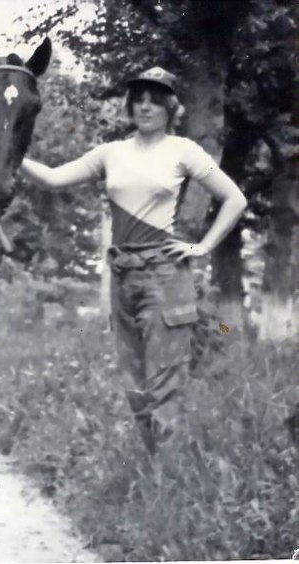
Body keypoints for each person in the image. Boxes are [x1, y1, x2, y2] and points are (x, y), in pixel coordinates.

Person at [19, 67, 248, 454]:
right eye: (138, 99)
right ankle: (153, 472)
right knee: (134, 383)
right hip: (122, 274)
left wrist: (202, 247)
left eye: (155, 99)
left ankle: (167, 484)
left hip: (164, 275)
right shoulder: (112, 152)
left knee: (164, 383)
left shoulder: (184, 150)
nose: (145, 106)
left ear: (171, 107)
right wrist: (8, 152)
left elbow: (235, 199)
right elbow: (53, 178)